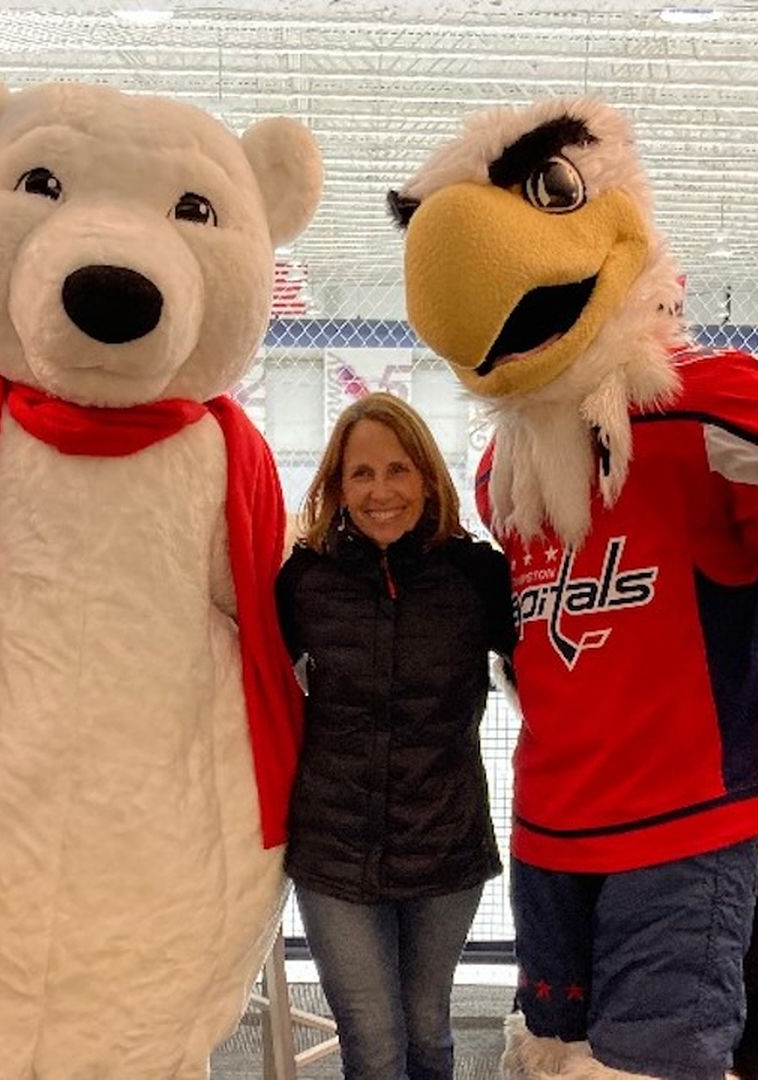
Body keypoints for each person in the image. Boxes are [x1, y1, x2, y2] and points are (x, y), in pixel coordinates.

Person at [275, 392, 514, 1080]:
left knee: (428, 1034)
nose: (382, 491)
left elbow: (556, 669)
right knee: (375, 1044)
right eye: (362, 474)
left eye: (398, 470)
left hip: (443, 846)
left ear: (428, 477)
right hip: (333, 852)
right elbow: (252, 683)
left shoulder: (475, 576)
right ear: (337, 487)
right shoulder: (306, 580)